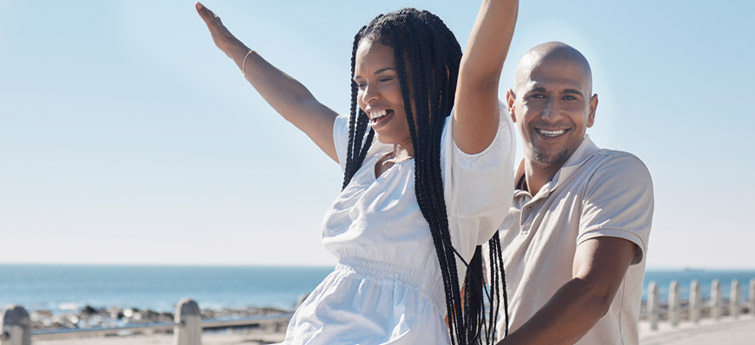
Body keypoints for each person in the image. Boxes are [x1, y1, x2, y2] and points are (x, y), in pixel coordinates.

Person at [194, 1, 519, 343]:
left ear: (435, 77)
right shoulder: (367, 157)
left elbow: (479, 78)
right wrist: (232, 48)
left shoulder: (457, 160)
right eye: (361, 83)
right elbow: (300, 104)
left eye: (385, 78)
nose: (367, 97)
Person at [493, 42, 655, 345]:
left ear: (591, 110)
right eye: (537, 95)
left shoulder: (615, 174)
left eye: (569, 97)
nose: (552, 115)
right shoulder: (494, 198)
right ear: (512, 105)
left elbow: (592, 293)